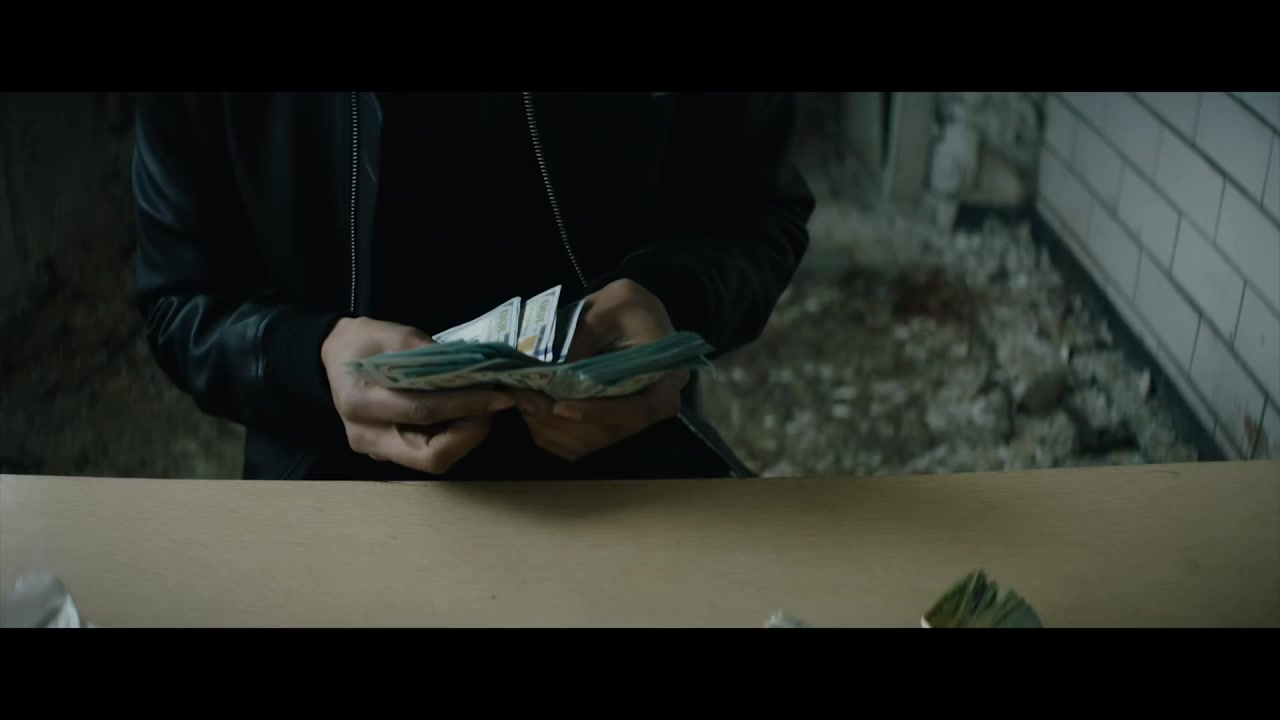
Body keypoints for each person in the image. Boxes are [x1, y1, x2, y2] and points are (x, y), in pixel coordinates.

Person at [132, 92, 814, 481]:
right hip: (328, 464)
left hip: (627, 449)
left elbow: (755, 211)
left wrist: (668, 298)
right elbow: (182, 299)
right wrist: (308, 361)